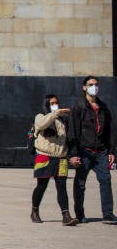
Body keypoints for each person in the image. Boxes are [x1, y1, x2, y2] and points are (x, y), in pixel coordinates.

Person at [68, 76, 115, 224]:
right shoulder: (79, 107)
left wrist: (111, 151)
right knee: (80, 183)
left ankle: (108, 214)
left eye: (96, 84)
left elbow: (109, 131)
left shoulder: (103, 107)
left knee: (106, 180)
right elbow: (73, 131)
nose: (94, 87)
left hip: (101, 151)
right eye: (90, 84)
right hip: (84, 151)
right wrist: (73, 154)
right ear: (84, 87)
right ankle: (80, 214)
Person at [31, 94, 77, 225]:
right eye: (52, 103)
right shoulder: (40, 117)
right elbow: (42, 124)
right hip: (44, 156)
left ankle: (66, 215)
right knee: (42, 185)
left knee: (62, 186)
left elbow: (67, 138)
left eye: (56, 102)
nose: (55, 105)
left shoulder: (62, 121)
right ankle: (34, 211)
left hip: (61, 157)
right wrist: (55, 113)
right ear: (46, 104)